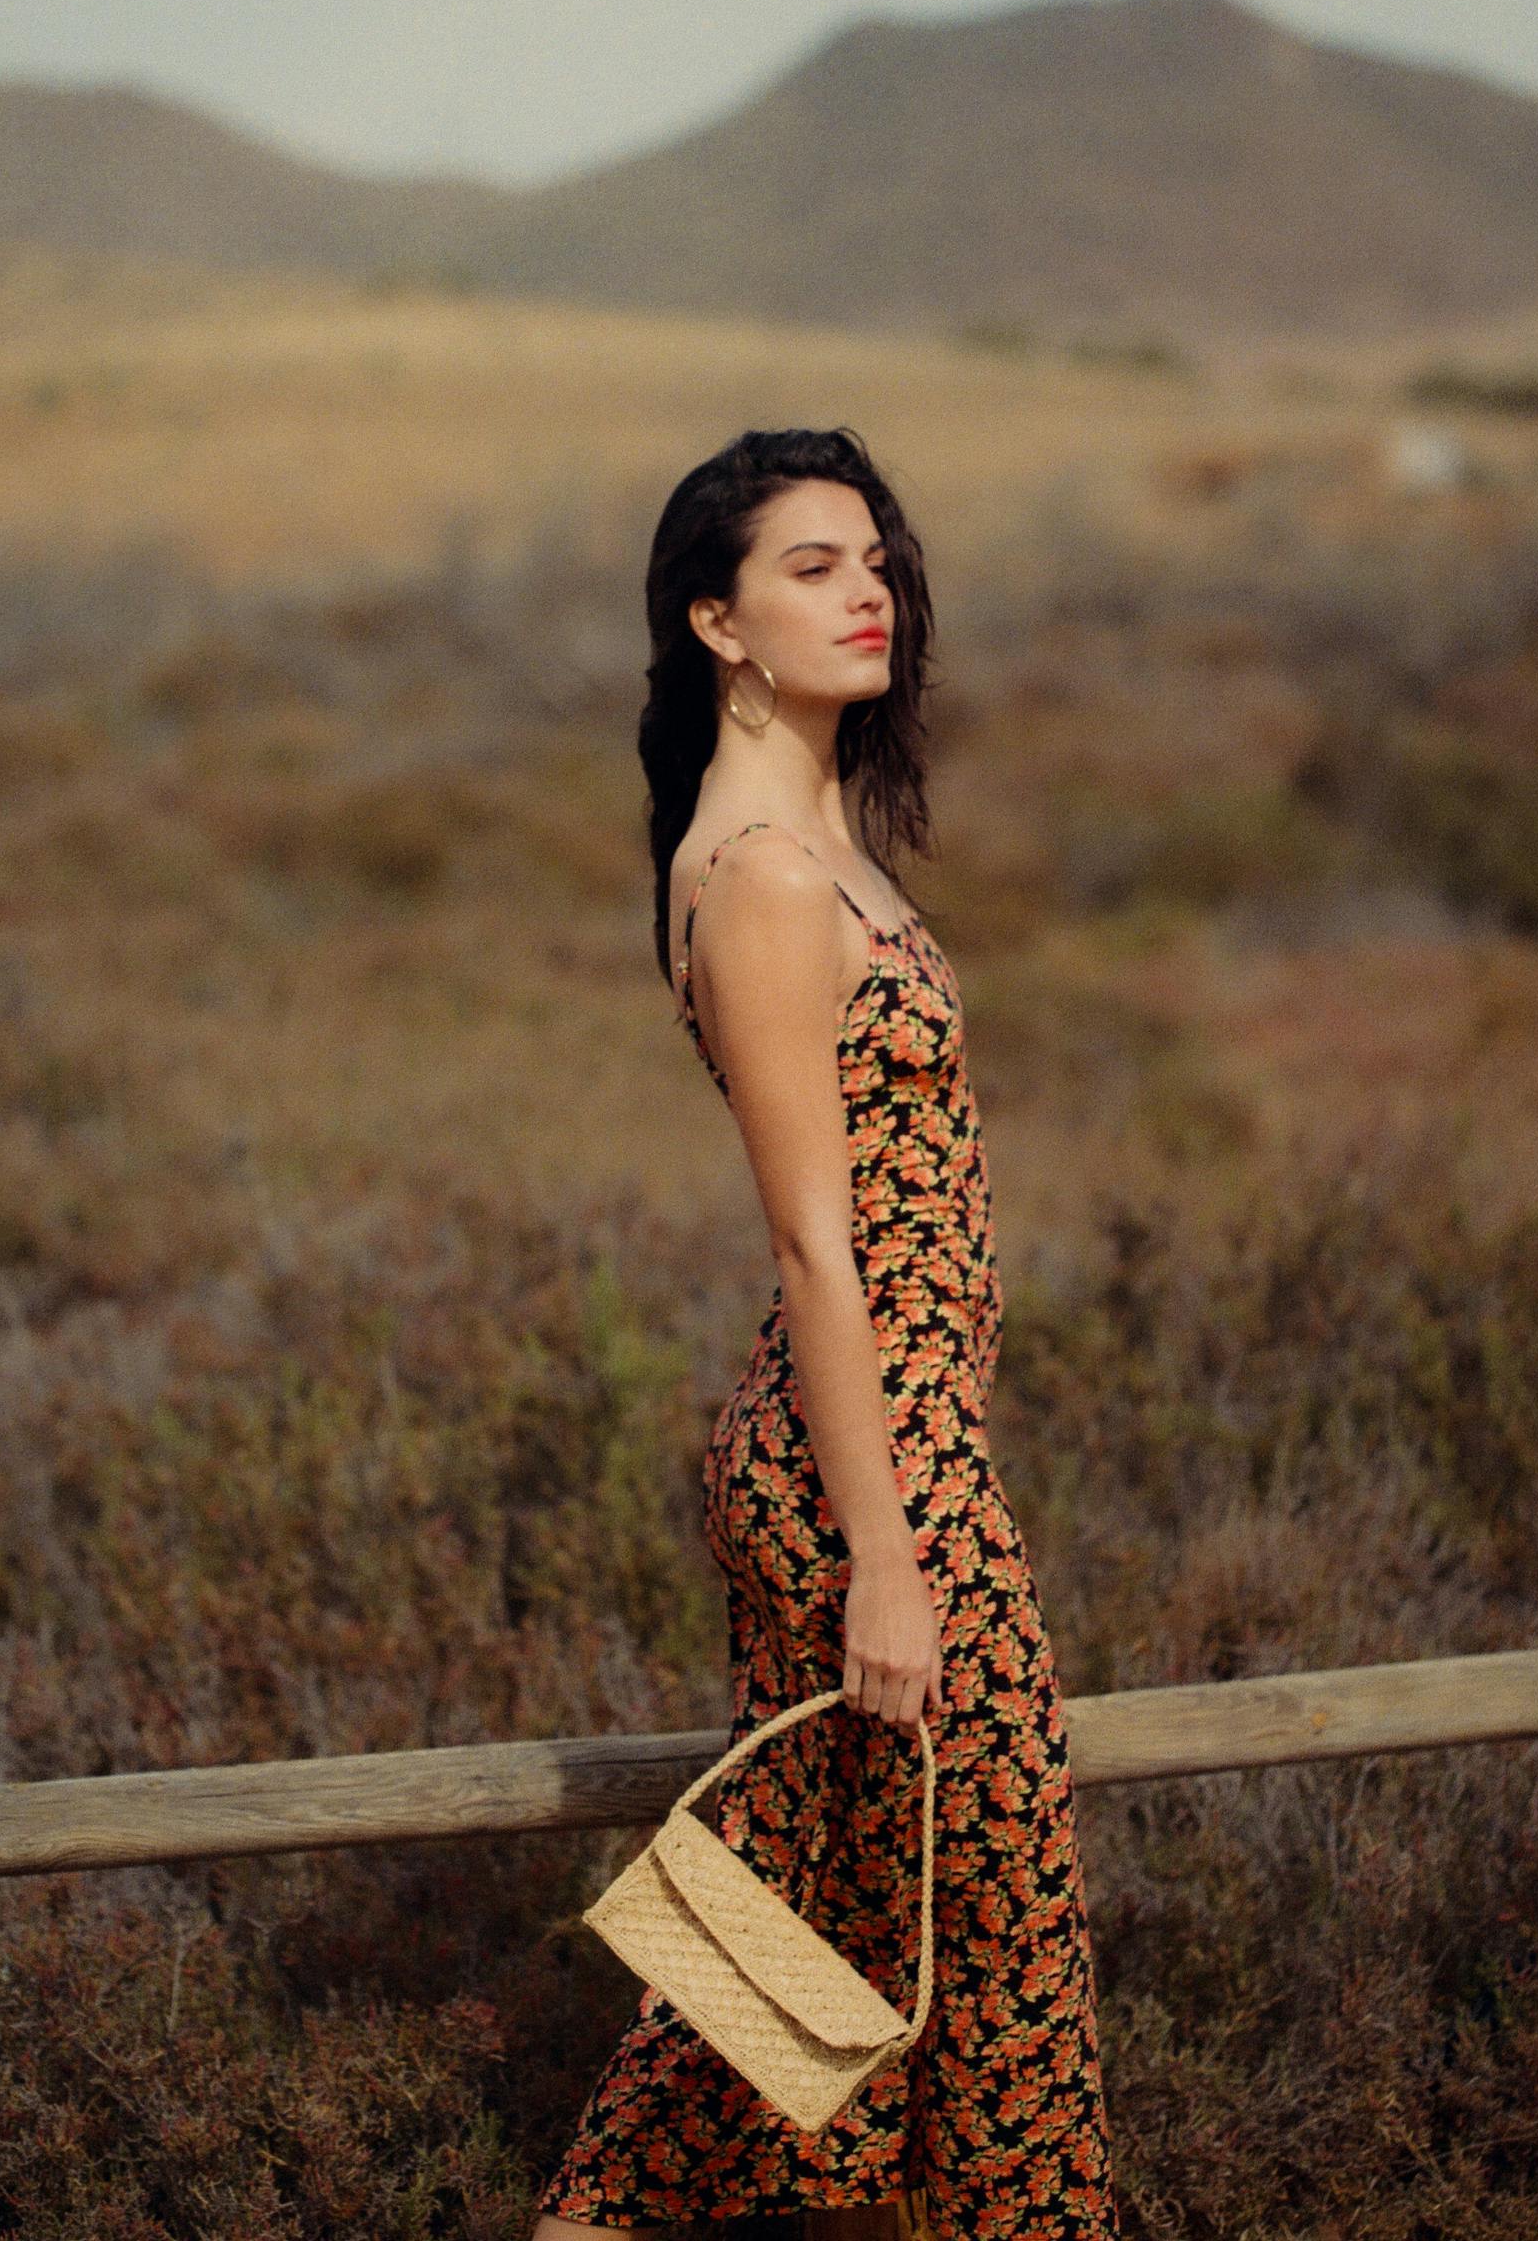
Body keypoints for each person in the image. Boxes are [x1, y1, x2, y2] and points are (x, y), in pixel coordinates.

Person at [533, 426, 1119, 2238]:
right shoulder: (767, 880)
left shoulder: (813, 832)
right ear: (715, 620)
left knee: (813, 1918)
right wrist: (882, 1550)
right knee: (1005, 1937)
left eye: (872, 559)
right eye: (809, 566)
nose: (865, 590)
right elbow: (812, 1242)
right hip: (872, 1466)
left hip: (889, 1442)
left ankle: (595, 2218)